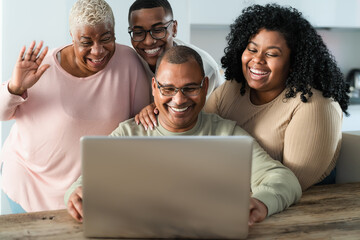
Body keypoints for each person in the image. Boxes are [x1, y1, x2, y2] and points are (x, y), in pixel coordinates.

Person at [65, 45, 302, 226]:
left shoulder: (225, 134)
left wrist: (261, 202)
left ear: (205, 86)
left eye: (190, 88)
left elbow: (283, 179)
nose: (179, 100)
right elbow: (82, 184)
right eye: (168, 89)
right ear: (154, 88)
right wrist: (75, 195)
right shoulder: (128, 134)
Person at [0, 0, 150, 213]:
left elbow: (139, 127)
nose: (97, 51)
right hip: (28, 182)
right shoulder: (43, 67)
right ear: (72, 37)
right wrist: (15, 88)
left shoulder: (128, 63)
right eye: (86, 42)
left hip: (86, 189)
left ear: (115, 34)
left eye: (106, 39)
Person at [203, 4, 350, 190]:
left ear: (294, 62)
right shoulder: (232, 89)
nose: (257, 60)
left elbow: (289, 184)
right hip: (229, 194)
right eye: (252, 49)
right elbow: (200, 139)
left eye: (271, 54)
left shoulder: (314, 105)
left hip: (298, 210)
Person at [127, 0, 224, 129]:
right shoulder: (127, 63)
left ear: (174, 28)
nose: (149, 41)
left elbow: (204, 122)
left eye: (158, 30)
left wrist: (158, 108)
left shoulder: (204, 67)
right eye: (138, 33)